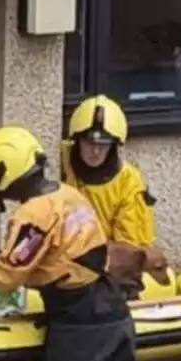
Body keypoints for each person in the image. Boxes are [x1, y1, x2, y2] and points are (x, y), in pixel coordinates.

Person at [0, 126, 136, 361]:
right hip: (112, 313)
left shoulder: (34, 215)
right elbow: (63, 253)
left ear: (6, 175)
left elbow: (6, 276)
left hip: (80, 330)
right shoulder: (68, 195)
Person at [61, 94, 161, 299]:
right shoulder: (60, 163)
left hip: (109, 273)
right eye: (89, 143)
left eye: (104, 145)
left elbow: (128, 252)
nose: (95, 151)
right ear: (76, 140)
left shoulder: (129, 182)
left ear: (114, 145)